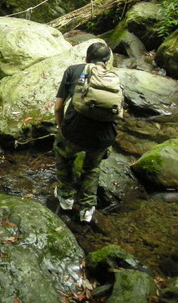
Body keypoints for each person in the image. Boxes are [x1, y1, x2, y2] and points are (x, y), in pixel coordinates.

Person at [53, 42, 117, 223]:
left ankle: (66, 197)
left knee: (63, 156)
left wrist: (61, 128)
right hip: (103, 137)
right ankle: (87, 208)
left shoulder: (73, 71)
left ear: (86, 59)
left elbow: (58, 107)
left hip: (73, 131)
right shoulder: (113, 79)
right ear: (107, 61)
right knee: (92, 168)